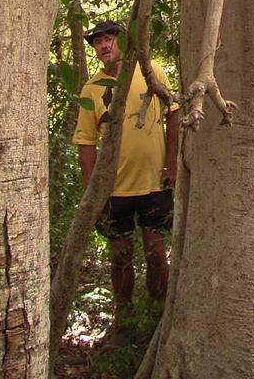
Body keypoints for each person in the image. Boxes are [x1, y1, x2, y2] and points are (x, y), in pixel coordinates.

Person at [72, 19, 179, 314]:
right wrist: (93, 191)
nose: (104, 45)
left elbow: (173, 114)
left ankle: (158, 313)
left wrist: (171, 165)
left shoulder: (149, 70)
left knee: (156, 251)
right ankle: (125, 315)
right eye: (97, 42)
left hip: (154, 182)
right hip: (113, 189)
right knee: (120, 255)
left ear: (122, 40)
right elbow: (85, 142)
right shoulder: (92, 89)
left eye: (109, 39)